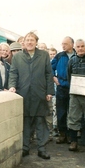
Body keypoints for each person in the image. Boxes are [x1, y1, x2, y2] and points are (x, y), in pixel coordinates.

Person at [9, 32, 55, 160]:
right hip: (24, 94)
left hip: (40, 94)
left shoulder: (44, 55)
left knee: (41, 122)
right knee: (26, 122)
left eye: (32, 40)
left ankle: (41, 148)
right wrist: (12, 86)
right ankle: (25, 148)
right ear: (23, 42)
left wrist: (49, 92)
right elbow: (13, 73)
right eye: (27, 40)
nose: (29, 42)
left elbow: (48, 74)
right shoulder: (17, 57)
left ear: (36, 42)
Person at [51, 36, 75, 144]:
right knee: (61, 111)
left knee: (73, 113)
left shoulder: (76, 55)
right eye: (62, 44)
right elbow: (50, 68)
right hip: (62, 87)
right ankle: (62, 134)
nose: (63, 46)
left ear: (72, 44)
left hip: (75, 88)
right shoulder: (59, 56)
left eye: (66, 43)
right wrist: (54, 78)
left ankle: (71, 135)